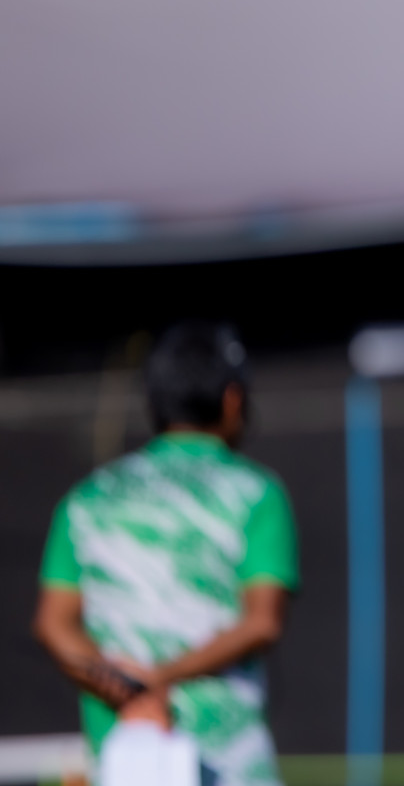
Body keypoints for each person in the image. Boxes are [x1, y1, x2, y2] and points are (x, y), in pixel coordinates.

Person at [33, 322, 299, 786]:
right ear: (233, 399)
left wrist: (123, 688)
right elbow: (262, 621)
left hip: (123, 753)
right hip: (229, 760)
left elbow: (55, 624)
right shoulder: (256, 493)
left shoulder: (89, 497)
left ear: (153, 402)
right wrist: (164, 676)